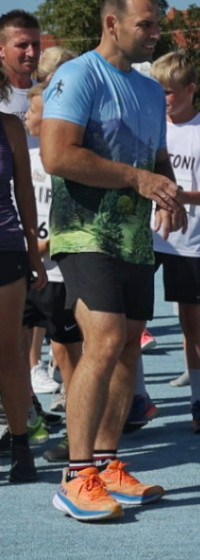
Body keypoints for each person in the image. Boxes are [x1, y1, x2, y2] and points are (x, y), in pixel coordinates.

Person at [42, 0, 185, 521]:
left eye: (157, 24)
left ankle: (107, 463)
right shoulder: (77, 75)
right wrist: (136, 177)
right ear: (112, 24)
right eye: (146, 24)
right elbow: (57, 155)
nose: (155, 33)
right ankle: (76, 476)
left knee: (128, 345)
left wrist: (168, 192)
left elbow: (158, 157)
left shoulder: (150, 90)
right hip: (83, 231)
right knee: (101, 340)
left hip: (132, 236)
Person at [131, 50, 200, 434]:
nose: (163, 101)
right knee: (133, 321)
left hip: (190, 241)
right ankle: (138, 397)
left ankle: (199, 402)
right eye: (157, 93)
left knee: (193, 320)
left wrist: (177, 196)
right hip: (147, 237)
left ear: (191, 89)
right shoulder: (148, 126)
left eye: (170, 93)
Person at [23, 82, 83, 462]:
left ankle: (79, 434)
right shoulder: (24, 160)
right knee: (14, 350)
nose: (26, 117)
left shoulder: (67, 163)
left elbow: (72, 218)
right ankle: (24, 421)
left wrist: (41, 249)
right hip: (25, 273)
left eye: (32, 111)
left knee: (67, 356)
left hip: (59, 274)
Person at [0, 99, 45, 483]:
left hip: (5, 248)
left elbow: (25, 191)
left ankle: (20, 446)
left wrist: (33, 248)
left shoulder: (10, 128)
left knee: (8, 350)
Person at [0, 9, 41, 145]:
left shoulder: (46, 94)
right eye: (22, 45)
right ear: (1, 50)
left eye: (35, 44)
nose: (31, 52)